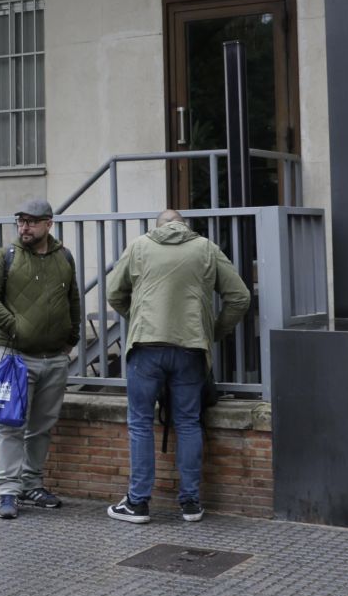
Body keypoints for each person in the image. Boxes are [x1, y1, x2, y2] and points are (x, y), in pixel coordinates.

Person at [103, 209, 251, 525]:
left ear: (159, 227)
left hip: (146, 349)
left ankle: (138, 504)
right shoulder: (206, 248)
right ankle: (190, 504)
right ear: (184, 226)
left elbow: (113, 293)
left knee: (140, 422)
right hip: (190, 350)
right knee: (188, 421)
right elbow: (239, 297)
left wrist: (140, 318)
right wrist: (211, 332)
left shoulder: (140, 246)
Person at [0, 197, 81, 519]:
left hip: (54, 358)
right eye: (21, 221)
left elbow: (72, 299)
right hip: (14, 357)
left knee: (42, 426)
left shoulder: (64, 256)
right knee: (9, 425)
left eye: (31, 221)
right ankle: (8, 491)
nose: (24, 227)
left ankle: (32, 483)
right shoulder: (6, 256)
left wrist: (71, 339)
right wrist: (14, 326)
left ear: (49, 224)